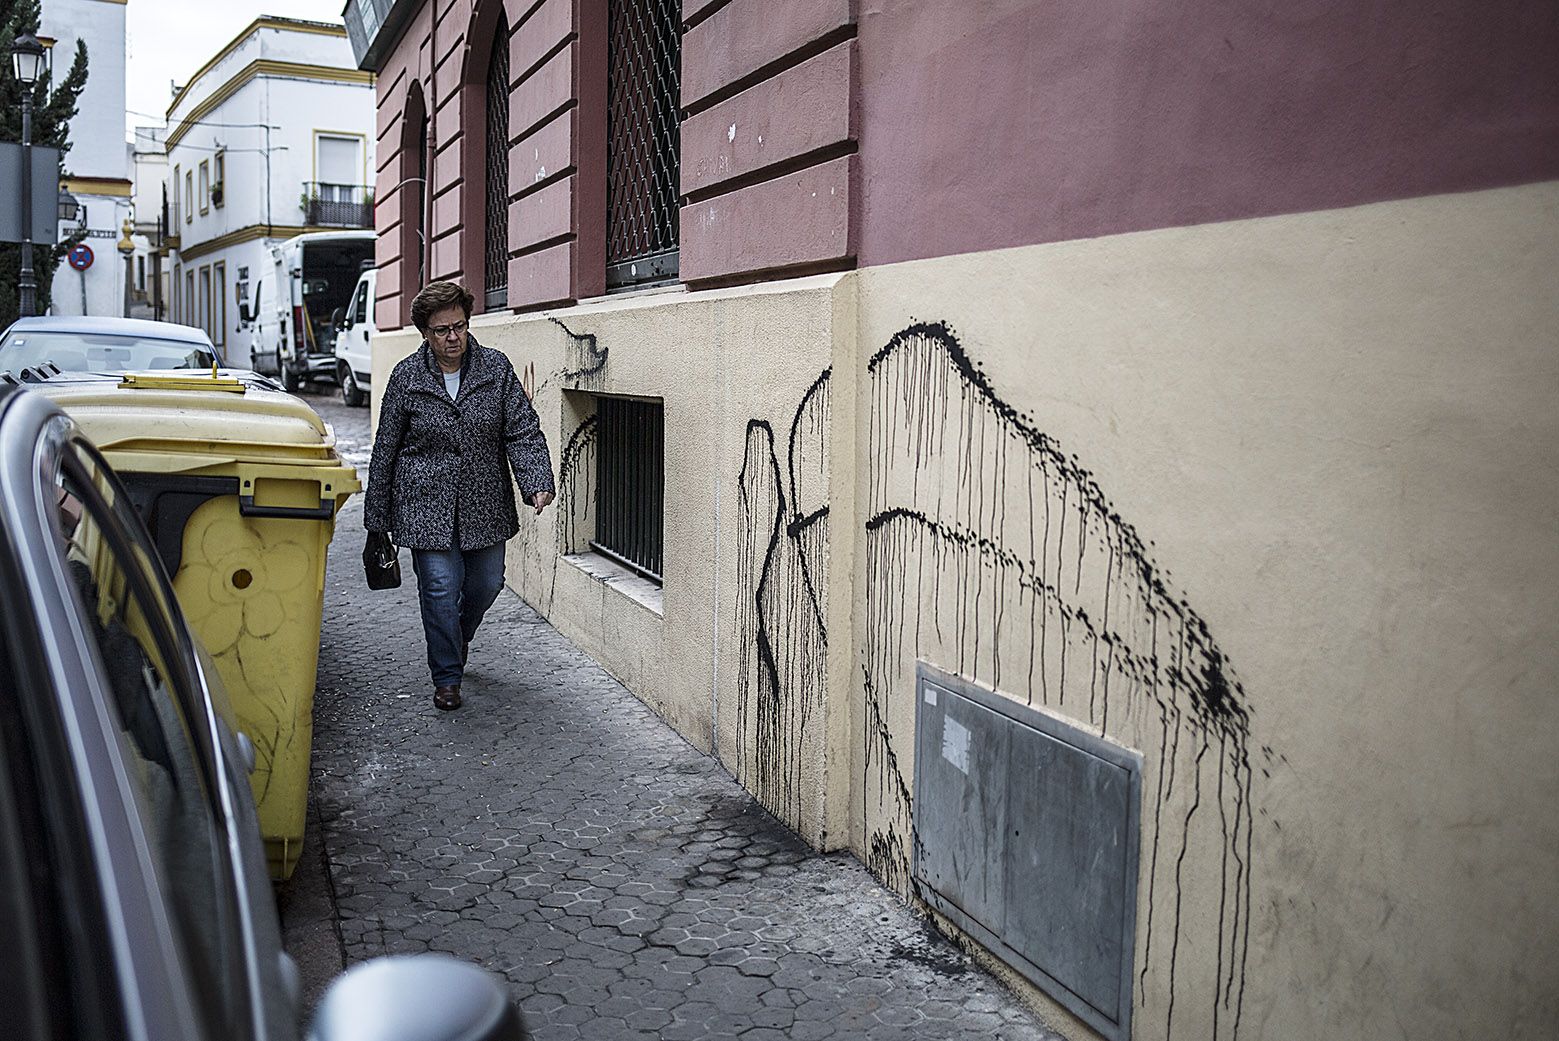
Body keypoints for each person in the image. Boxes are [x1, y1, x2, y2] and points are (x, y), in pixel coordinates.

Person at [364, 281, 555, 710]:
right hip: (423, 503)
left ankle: (459, 635)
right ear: (425, 333)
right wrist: (377, 520)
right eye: (442, 330)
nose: (453, 337)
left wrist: (536, 480)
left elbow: (521, 430)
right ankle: (447, 676)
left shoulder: (495, 369)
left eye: (459, 326)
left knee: (487, 583)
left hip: (483, 500)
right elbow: (386, 448)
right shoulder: (406, 377)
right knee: (438, 589)